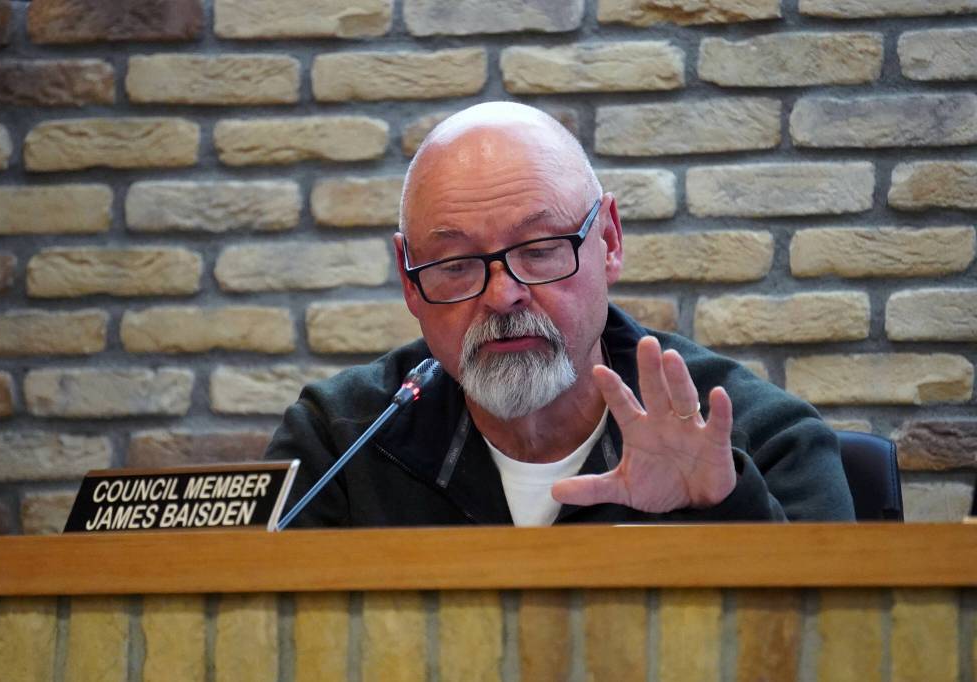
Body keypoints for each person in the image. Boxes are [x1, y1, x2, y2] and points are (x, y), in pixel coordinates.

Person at [266, 102, 855, 527]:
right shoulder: (338, 445)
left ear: (610, 241)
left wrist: (729, 508)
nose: (502, 295)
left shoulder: (763, 438)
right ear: (408, 278)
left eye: (540, 251)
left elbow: (835, 649)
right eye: (455, 264)